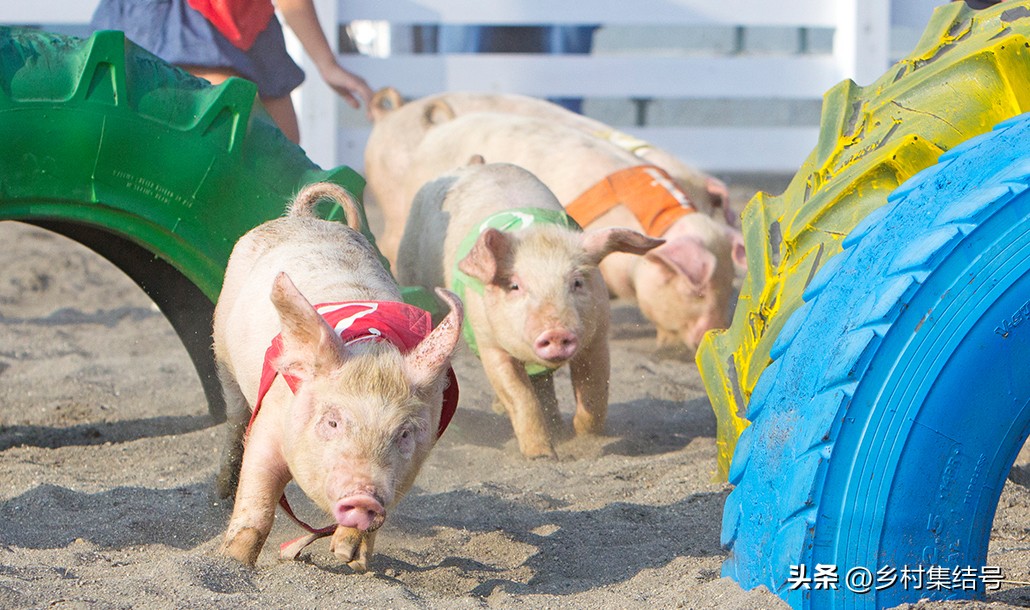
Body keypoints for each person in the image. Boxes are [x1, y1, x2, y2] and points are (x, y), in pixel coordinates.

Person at [91, 0, 373, 144]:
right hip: (171, 21)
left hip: (246, 20)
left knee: (283, 152)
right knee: (225, 130)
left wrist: (327, 63)